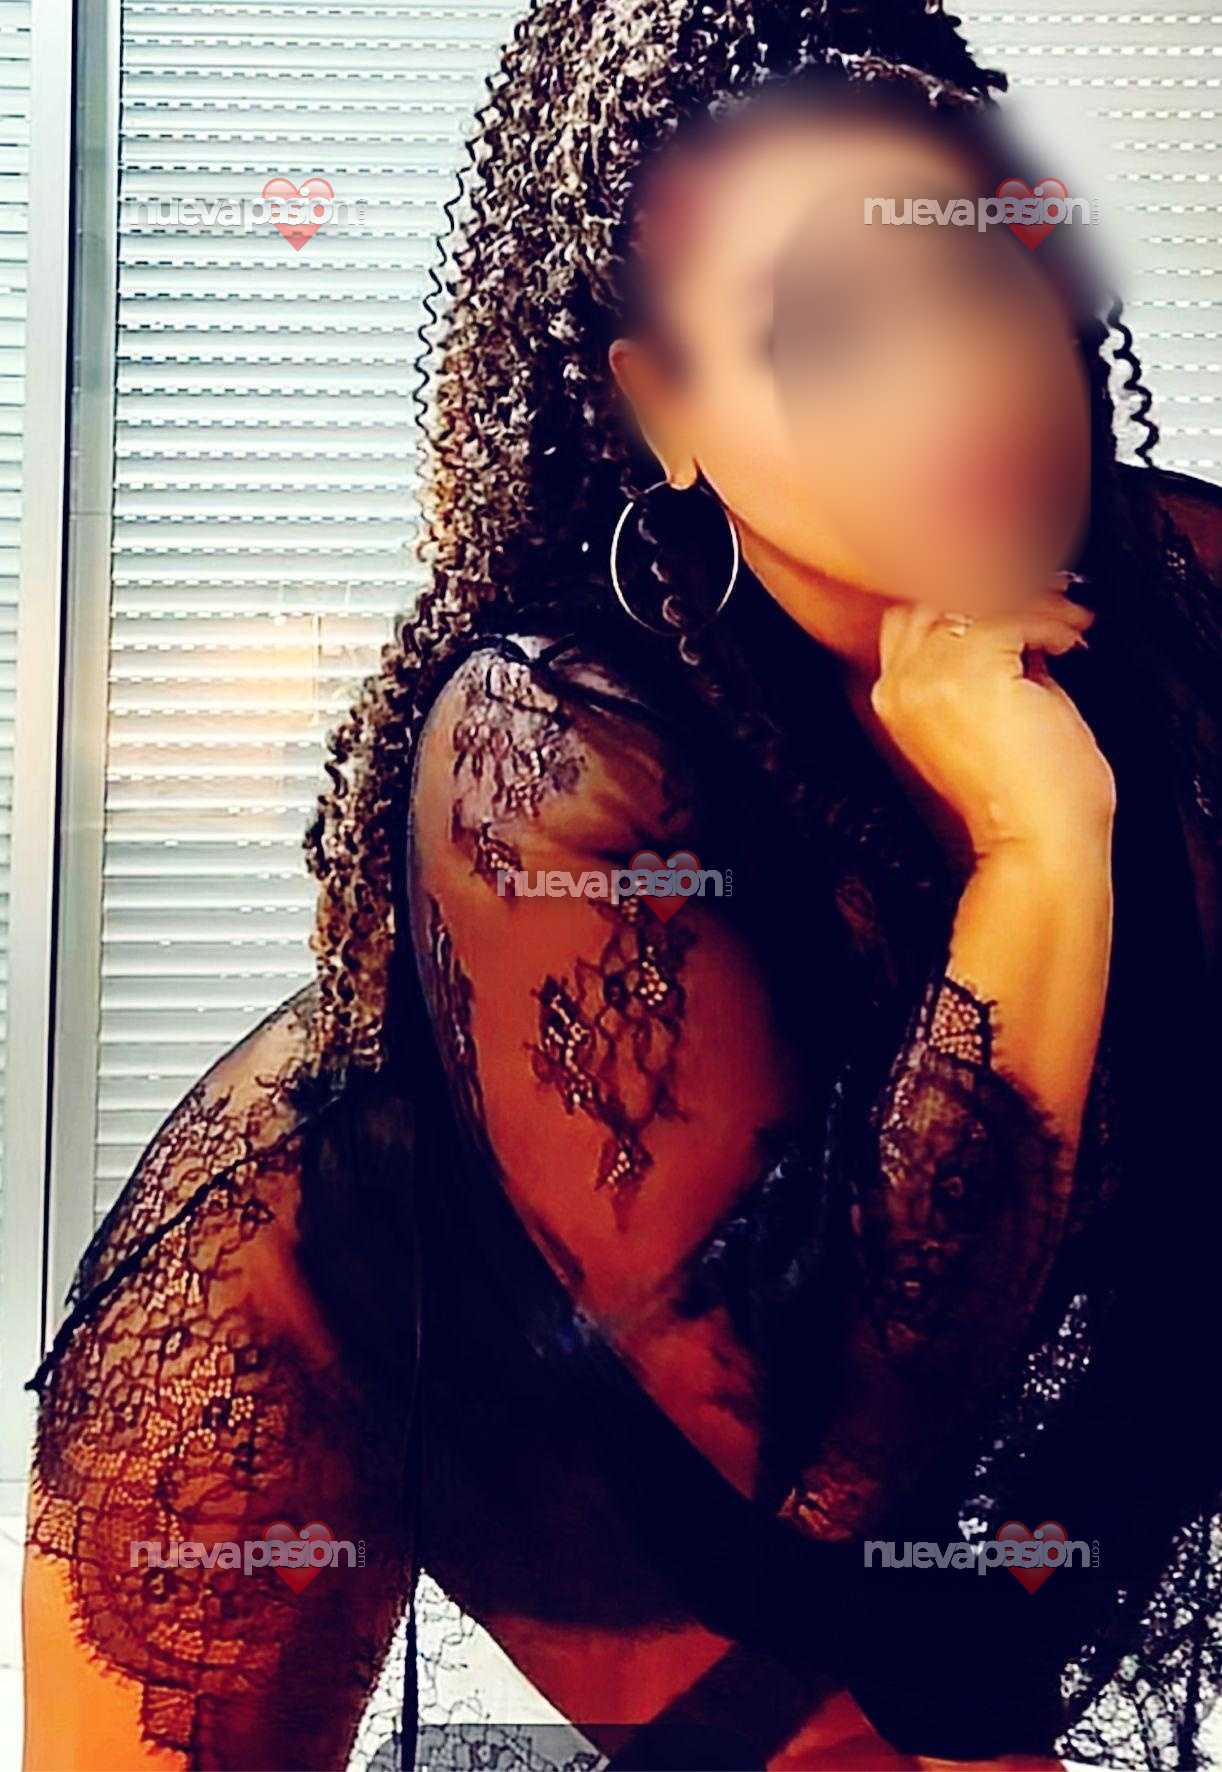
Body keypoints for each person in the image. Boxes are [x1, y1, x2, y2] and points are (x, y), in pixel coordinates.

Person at [22, 3, 1222, 1768]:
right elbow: (826, 1459)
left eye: (977, 275)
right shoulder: (547, 744)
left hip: (864, 1411)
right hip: (366, 1348)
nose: (958, 382)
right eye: (824, 329)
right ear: (663, 408)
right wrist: (1041, 852)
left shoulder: (1180, 591)